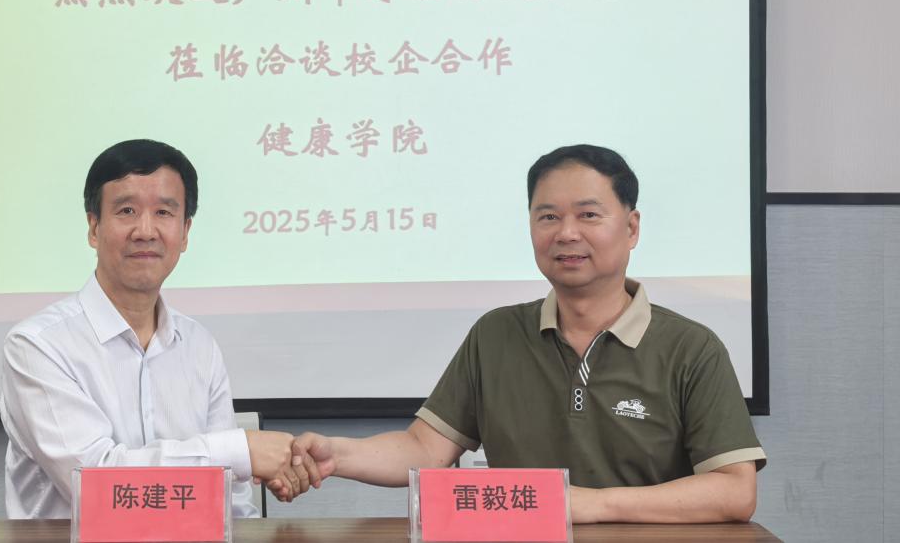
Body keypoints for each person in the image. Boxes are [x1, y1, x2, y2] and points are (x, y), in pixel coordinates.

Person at [277, 145, 766, 524]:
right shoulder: (497, 334)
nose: (566, 233)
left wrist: (588, 504)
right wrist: (338, 454)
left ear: (632, 227)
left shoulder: (691, 348)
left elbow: (735, 490)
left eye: (588, 214)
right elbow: (424, 449)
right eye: (548, 216)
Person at [0, 138, 309, 518]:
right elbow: (94, 481)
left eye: (164, 212)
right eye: (127, 211)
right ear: (94, 228)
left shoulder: (199, 346)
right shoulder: (38, 346)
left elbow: (230, 503)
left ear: (185, 231)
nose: (145, 230)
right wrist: (239, 451)